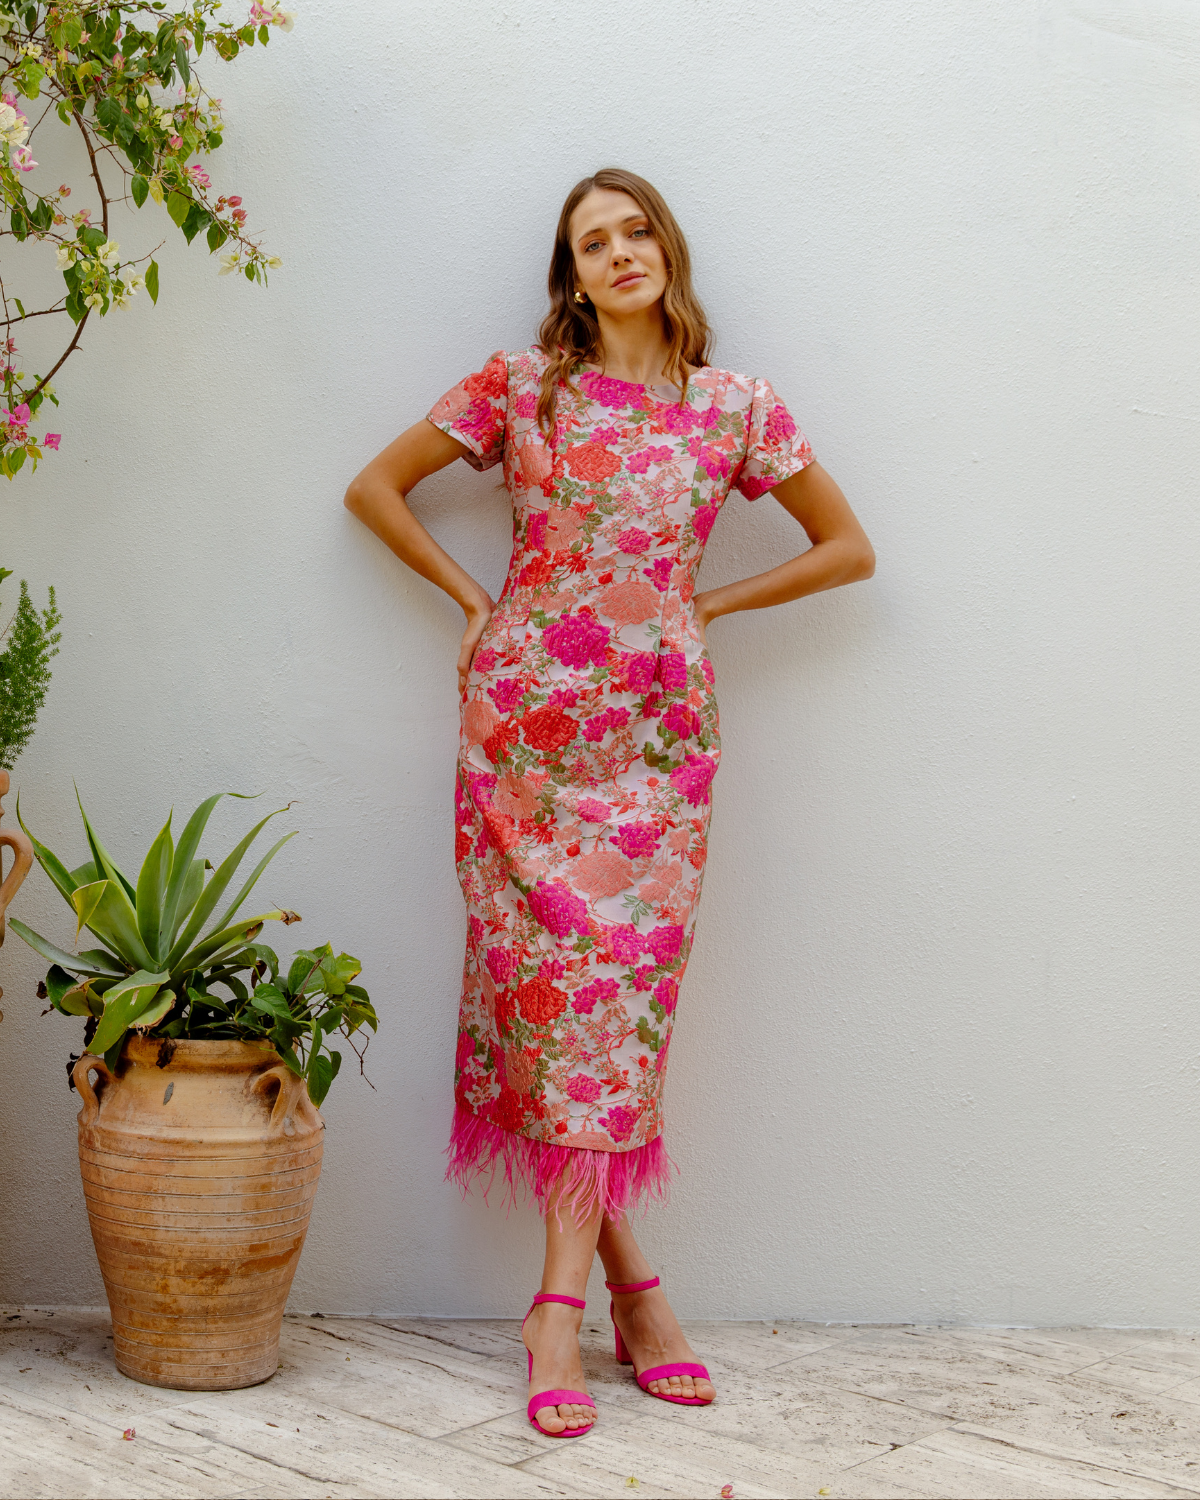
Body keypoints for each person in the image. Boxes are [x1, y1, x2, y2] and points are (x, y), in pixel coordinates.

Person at [344, 167, 874, 1438]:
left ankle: (590, 1299)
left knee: (610, 1012)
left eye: (638, 231)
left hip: (657, 747)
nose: (621, 252)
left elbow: (849, 546)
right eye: (594, 241)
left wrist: (714, 605)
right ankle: (592, 1296)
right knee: (558, 1004)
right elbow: (373, 488)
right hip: (524, 735)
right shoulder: (519, 387)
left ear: (667, 250)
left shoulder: (736, 408)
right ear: (569, 276)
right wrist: (475, 605)